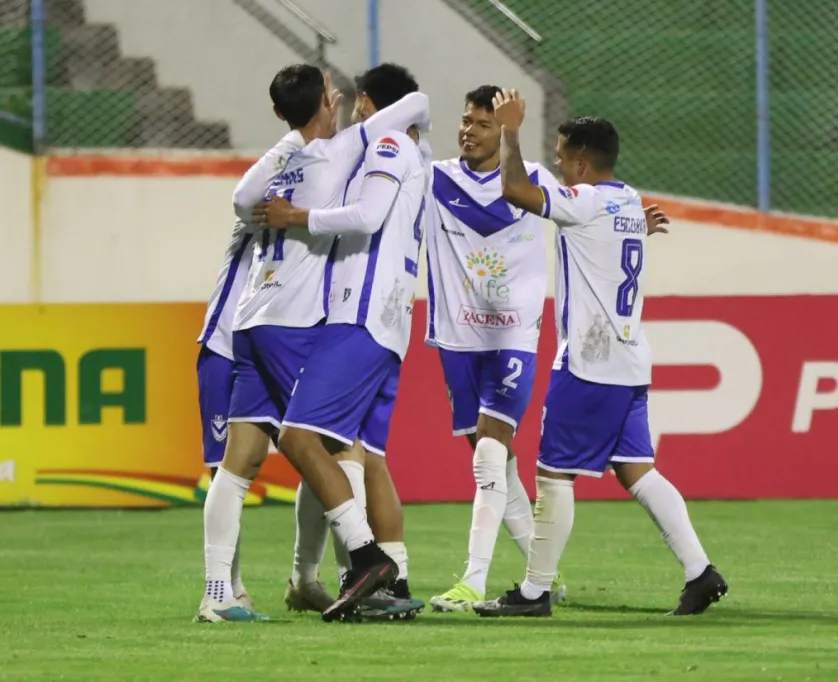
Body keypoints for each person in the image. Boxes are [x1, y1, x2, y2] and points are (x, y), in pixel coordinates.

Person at [473, 90, 728, 618]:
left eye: (564, 157)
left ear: (583, 162)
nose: (561, 166)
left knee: (553, 475)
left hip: (590, 364)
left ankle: (535, 592)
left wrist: (511, 132)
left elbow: (517, 189)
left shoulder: (586, 201)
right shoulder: (630, 201)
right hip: (631, 361)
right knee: (638, 471)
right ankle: (701, 572)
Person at [196, 64, 430, 623]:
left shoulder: (281, 165)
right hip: (295, 323)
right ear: (332, 101)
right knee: (334, 446)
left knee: (239, 464)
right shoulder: (343, 151)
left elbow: (240, 197)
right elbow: (416, 103)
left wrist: (296, 132)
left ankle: (219, 593)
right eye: (336, 97)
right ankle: (367, 565)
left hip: (248, 320)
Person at [425, 85, 565, 612]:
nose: (468, 131)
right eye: (466, 121)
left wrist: (631, 229)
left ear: (502, 130)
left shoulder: (533, 183)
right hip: (457, 342)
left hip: (514, 337)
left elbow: (584, 214)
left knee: (488, 454)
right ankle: (541, 575)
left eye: (483, 124)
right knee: (498, 468)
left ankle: (473, 581)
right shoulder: (434, 179)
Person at [195, 216, 254, 612]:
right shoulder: (257, 211)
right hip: (224, 351)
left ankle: (311, 577)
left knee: (319, 452)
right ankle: (224, 590)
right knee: (224, 471)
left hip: (270, 351)